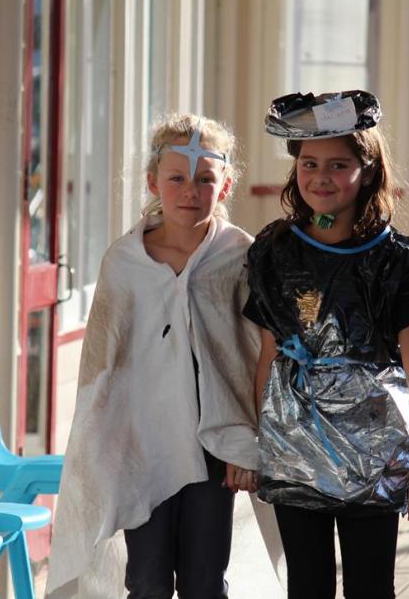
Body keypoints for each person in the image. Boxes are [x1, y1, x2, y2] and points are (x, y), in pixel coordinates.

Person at [44, 114, 265, 599]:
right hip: (140, 442)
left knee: (205, 580)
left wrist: (244, 441)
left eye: (205, 179)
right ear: (152, 182)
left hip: (212, 447)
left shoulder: (239, 256)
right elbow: (103, 360)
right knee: (145, 579)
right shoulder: (124, 262)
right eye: (177, 178)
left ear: (224, 185)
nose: (191, 190)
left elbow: (251, 354)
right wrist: (102, 445)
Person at [243, 90, 409, 599]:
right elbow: (268, 355)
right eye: (309, 163)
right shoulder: (274, 252)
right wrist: (256, 442)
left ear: (368, 168)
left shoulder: (400, 263)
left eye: (338, 164)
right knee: (306, 586)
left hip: (373, 456)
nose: (321, 177)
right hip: (294, 448)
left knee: (369, 585)